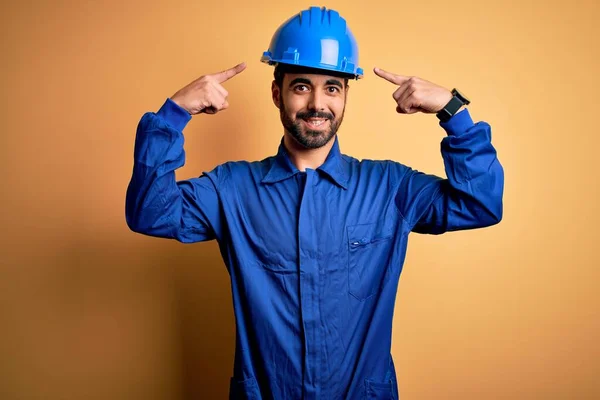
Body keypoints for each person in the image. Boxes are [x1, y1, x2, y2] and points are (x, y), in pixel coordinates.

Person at [125, 6, 503, 400]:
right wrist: (172, 116)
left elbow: (480, 204)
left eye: (332, 88)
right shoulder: (232, 189)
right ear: (278, 93)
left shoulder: (389, 187)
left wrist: (453, 111)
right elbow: (149, 212)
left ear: (345, 96)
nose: (317, 104)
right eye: (302, 86)